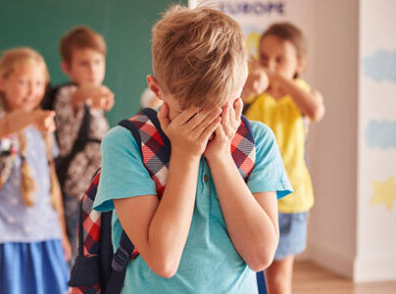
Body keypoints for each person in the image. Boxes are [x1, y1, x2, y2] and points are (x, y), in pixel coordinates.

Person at [92, 5, 293, 293]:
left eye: (221, 110)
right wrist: (186, 156)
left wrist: (221, 157)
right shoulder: (125, 144)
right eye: (192, 113)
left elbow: (260, 256)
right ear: (157, 89)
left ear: (239, 91)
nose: (208, 124)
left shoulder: (257, 141)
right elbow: (164, 260)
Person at [0, 47, 70, 294]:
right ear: (2, 83)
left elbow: (52, 185)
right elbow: (8, 126)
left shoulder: (42, 130)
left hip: (46, 234)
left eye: (39, 83)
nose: (32, 90)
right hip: (7, 237)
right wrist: (33, 118)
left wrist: (62, 234)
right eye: (24, 82)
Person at [242, 22, 325, 294]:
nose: (271, 66)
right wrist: (249, 87)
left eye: (280, 60)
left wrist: (281, 81)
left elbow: (314, 110)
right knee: (251, 276)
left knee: (278, 281)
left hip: (290, 201)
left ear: (299, 63)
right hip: (250, 198)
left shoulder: (303, 94)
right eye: (264, 58)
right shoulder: (252, 94)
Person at [42, 26, 114, 264]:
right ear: (67, 68)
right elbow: (79, 93)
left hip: (96, 195)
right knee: (75, 261)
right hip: (74, 195)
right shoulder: (68, 94)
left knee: (93, 259)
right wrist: (96, 91)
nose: (93, 70)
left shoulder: (95, 106)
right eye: (84, 64)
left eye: (97, 62)